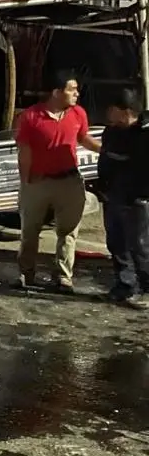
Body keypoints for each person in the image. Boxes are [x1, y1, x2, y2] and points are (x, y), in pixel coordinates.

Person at [14, 71, 102, 294]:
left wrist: (106, 149)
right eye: (72, 89)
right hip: (38, 182)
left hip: (69, 181)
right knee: (30, 230)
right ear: (56, 92)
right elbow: (24, 150)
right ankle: (26, 273)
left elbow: (83, 138)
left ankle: (63, 277)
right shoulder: (31, 117)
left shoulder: (78, 114)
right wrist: (26, 182)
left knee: (68, 231)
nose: (76, 94)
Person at [95, 88, 149, 309]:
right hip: (113, 195)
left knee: (140, 245)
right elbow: (107, 157)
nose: (108, 113)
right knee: (116, 243)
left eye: (113, 109)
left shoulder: (144, 134)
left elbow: (139, 165)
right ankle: (124, 285)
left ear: (126, 111)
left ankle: (146, 288)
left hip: (136, 199)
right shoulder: (112, 131)